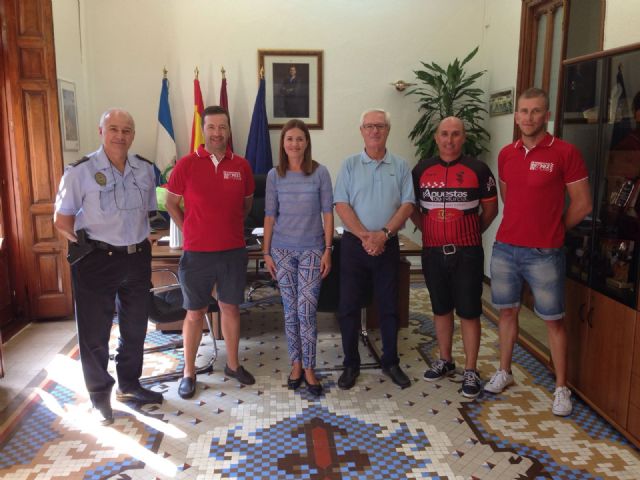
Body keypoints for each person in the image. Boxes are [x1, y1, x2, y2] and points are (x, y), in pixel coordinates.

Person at [485, 88, 592, 416]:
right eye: (523, 111)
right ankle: (505, 371)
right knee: (506, 312)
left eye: (535, 111)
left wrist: (555, 230)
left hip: (545, 252)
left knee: (553, 321)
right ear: (516, 116)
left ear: (546, 115)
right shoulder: (506, 154)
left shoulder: (565, 152)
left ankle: (561, 388)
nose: (528, 117)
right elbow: (509, 197)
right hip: (505, 248)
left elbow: (583, 204)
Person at [54, 108, 162, 426]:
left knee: (135, 328)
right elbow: (62, 219)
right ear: (101, 131)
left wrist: (143, 241)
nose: (120, 135)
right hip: (97, 260)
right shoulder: (80, 171)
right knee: (94, 333)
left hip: (136, 257)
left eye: (126, 130)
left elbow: (149, 212)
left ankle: (129, 385)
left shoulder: (144, 169)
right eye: (113, 129)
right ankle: (100, 396)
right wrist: (85, 248)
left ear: (133, 135)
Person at [165, 105, 256, 399]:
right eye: (212, 127)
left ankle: (232, 364)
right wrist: (189, 228)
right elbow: (170, 203)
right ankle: (188, 372)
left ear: (229, 130)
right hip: (197, 254)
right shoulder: (187, 164)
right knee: (195, 312)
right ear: (203, 130)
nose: (217, 133)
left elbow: (246, 205)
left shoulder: (241, 165)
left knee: (230, 308)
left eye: (223, 127)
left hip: (232, 251)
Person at [411, 117, 498, 398]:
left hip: (468, 253)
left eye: (456, 134)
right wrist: (430, 231)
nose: (450, 140)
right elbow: (411, 207)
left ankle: (471, 370)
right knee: (440, 308)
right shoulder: (421, 170)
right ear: (436, 137)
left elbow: (490, 210)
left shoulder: (479, 169)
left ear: (464, 137)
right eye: (445, 134)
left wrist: (470, 233)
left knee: (470, 312)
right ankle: (445, 360)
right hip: (433, 251)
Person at [334, 108, 415, 389]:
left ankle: (391, 361)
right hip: (354, 247)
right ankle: (350, 364)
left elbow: (407, 204)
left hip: (388, 244)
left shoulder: (401, 166)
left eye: (379, 126)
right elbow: (341, 204)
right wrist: (365, 236)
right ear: (361, 131)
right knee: (348, 307)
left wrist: (383, 235)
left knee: (390, 305)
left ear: (388, 130)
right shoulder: (349, 165)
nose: (374, 131)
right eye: (369, 126)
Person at [261, 119, 334, 396]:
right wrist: (266, 252)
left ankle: (310, 368)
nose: (294, 144)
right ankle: (295, 363)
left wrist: (328, 250)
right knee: (291, 311)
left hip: (313, 250)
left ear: (307, 142)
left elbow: (328, 213)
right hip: (282, 251)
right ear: (283, 143)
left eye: (299, 139)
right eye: (289, 139)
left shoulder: (319, 173)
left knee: (306, 310)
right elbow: (270, 215)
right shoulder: (273, 175)